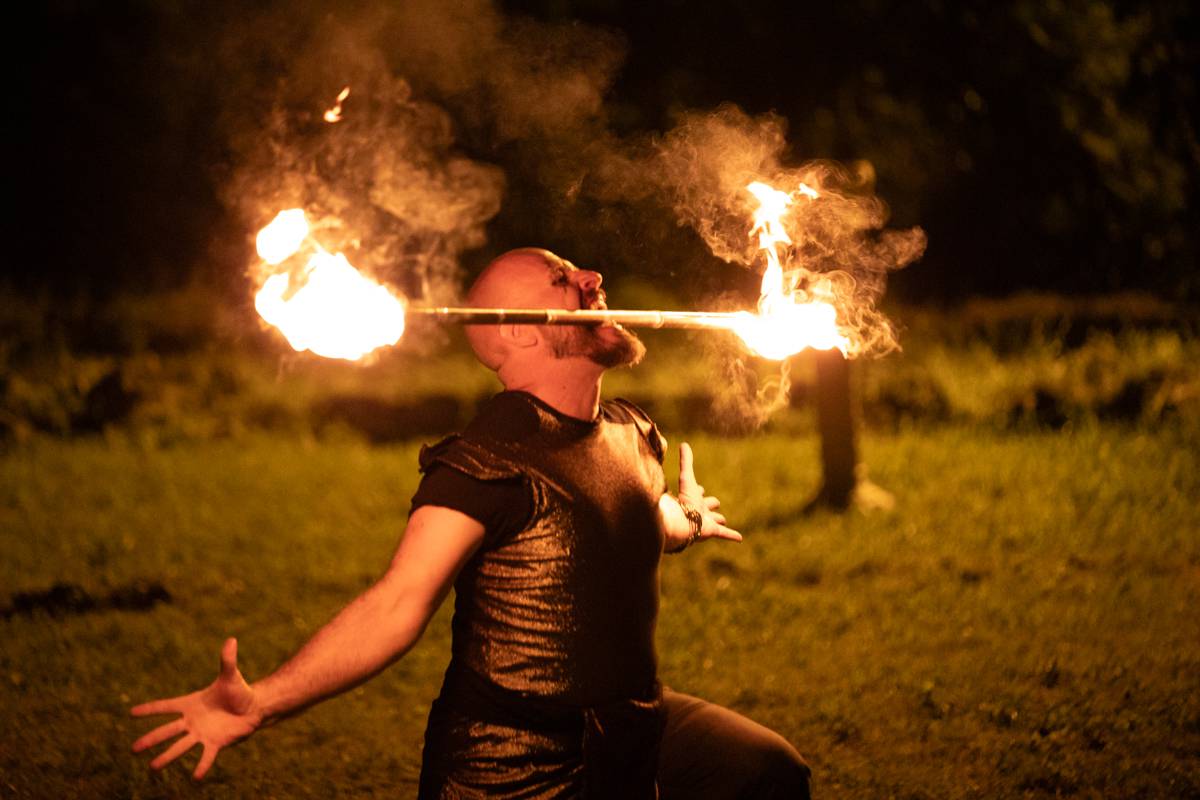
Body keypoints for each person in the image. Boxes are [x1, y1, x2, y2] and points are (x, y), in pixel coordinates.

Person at [131, 248, 812, 798]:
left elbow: (625, 520)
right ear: (516, 328)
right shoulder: (489, 459)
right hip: (515, 769)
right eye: (560, 278)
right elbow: (398, 602)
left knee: (764, 773)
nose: (592, 278)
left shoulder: (628, 432)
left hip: (629, 733)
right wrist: (263, 702)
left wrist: (683, 517)